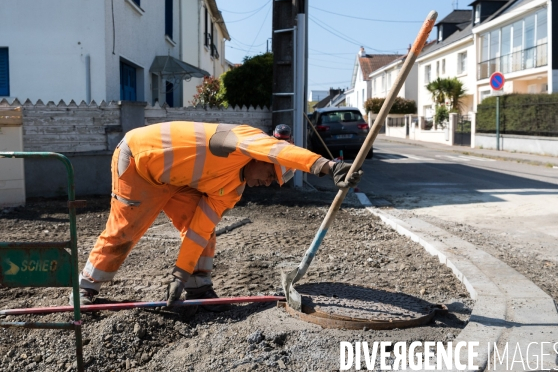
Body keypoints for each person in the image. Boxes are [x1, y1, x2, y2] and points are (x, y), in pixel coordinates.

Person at [70, 122, 362, 312]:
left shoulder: (232, 190)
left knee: (205, 233)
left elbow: (199, 228)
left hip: (176, 181)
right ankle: (86, 289)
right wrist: (326, 167)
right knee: (124, 231)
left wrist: (179, 275)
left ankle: (199, 286)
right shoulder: (242, 140)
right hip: (138, 162)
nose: (268, 183)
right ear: (261, 158)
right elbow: (275, 148)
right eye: (270, 175)